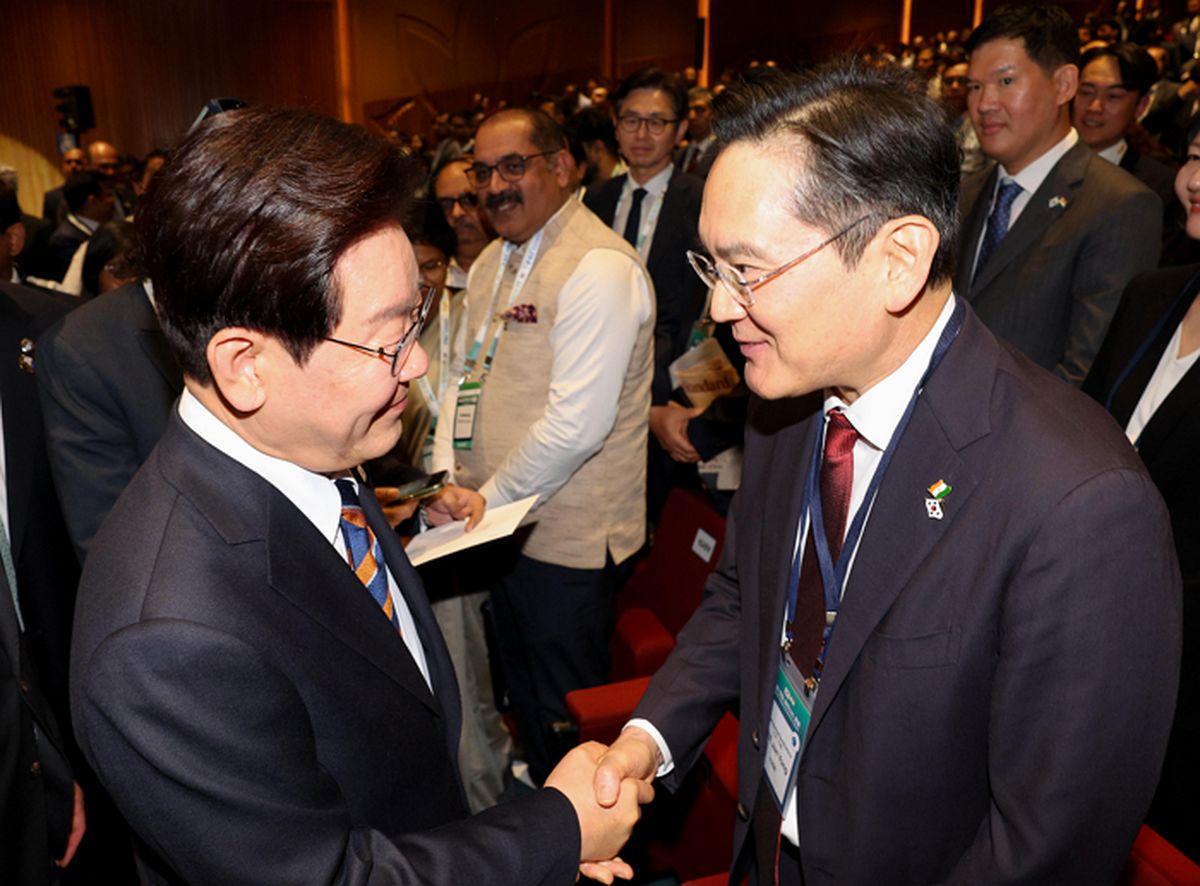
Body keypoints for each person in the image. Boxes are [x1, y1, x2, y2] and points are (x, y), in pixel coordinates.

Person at [591, 61, 1181, 885]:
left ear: (899, 259)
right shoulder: (787, 398)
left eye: (749, 272)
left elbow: (1048, 847)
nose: (721, 309)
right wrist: (645, 743)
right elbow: (744, 596)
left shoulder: (1077, 504)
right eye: (712, 270)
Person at [69, 106, 648, 885]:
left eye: (418, 318)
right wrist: (556, 829)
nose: (414, 366)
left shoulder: (318, 450)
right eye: (387, 338)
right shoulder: (164, 640)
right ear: (244, 365)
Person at [434, 108, 653, 786]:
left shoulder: (599, 267)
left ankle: (587, 847)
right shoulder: (496, 258)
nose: (494, 186)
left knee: (567, 717)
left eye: (512, 166)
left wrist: (485, 499)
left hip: (566, 541)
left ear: (561, 167)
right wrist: (449, 473)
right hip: (498, 526)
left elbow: (576, 426)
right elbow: (462, 378)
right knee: (523, 699)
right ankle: (546, 837)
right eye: (482, 170)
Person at [1082, 116, 1200, 863]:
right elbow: (1083, 438)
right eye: (1195, 155)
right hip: (1080, 638)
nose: (1196, 177)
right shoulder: (1152, 295)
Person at [955, 4, 1161, 385]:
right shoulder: (964, 194)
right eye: (975, 86)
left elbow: (1089, 371)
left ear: (1064, 85)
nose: (984, 104)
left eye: (1005, 82)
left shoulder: (1119, 204)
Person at [585, 67, 709, 521]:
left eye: (657, 122)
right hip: (598, 376)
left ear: (679, 130)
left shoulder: (701, 200)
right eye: (631, 120)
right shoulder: (593, 200)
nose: (642, 133)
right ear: (615, 127)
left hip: (669, 382)